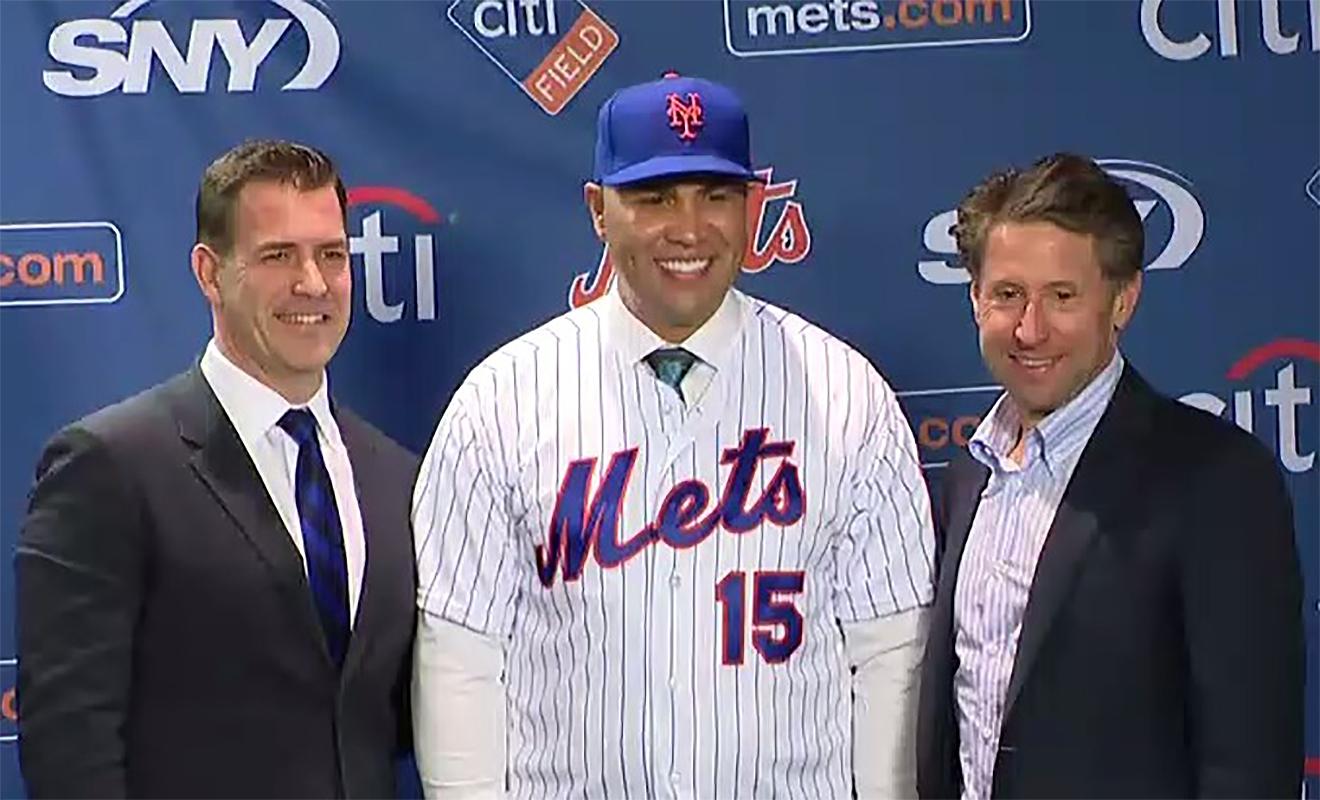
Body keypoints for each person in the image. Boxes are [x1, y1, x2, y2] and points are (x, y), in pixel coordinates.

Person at [410, 73, 935, 799]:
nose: (689, 229)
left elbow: (889, 654)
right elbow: (462, 656)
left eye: (715, 196)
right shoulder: (500, 403)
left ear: (752, 208)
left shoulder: (846, 397)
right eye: (654, 198)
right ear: (599, 210)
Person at [16, 139, 418, 798]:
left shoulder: (395, 476)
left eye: (332, 255)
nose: (312, 284)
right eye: (277, 256)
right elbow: (69, 744)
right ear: (210, 272)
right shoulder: (111, 466)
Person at [915, 153, 1304, 798]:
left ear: (1122, 300)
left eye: (1062, 297)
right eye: (1008, 295)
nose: (1030, 328)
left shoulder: (1217, 479)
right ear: (975, 299)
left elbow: (1250, 762)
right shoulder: (965, 480)